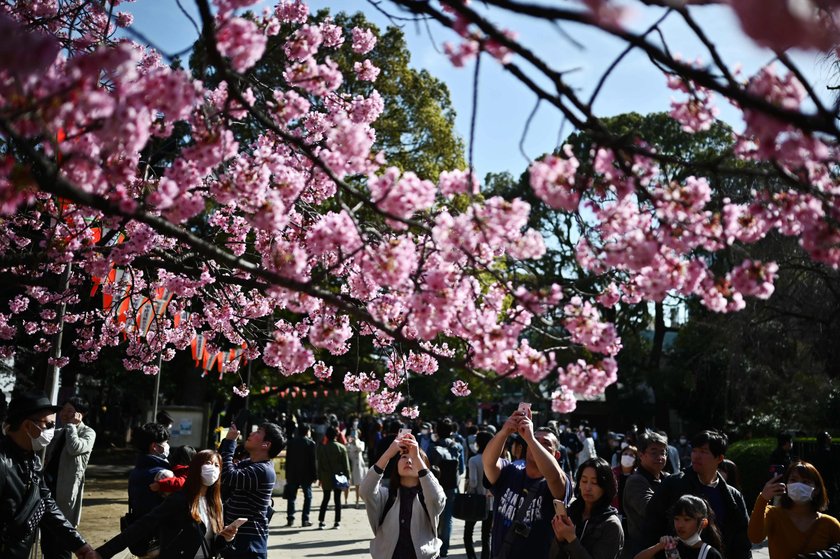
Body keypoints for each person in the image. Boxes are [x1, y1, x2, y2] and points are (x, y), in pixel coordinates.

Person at [0, 391, 100, 559]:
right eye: (49, 425)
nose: (51, 431)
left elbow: (46, 503)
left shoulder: (31, 459)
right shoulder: (3, 461)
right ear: (28, 426)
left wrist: (80, 545)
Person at [97, 449, 240, 558]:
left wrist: (227, 538)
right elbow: (143, 525)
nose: (212, 468)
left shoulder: (216, 503)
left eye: (216, 465)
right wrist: (103, 553)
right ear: (195, 467)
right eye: (208, 463)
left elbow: (214, 545)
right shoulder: (180, 499)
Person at [643, 430, 751, 559]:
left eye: (703, 452)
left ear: (719, 458)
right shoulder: (674, 484)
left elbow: (742, 540)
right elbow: (651, 527)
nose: (696, 456)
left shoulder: (733, 495)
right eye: (694, 450)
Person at [483, 406, 569, 559]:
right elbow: (488, 463)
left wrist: (531, 438)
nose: (539, 444)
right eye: (536, 440)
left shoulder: (557, 481)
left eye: (546, 443)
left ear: (556, 455)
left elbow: (555, 477)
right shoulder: (510, 470)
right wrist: (504, 432)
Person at [360, 431, 446, 558]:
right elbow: (365, 491)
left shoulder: (426, 497)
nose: (409, 461)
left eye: (415, 458)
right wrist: (388, 454)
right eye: (404, 457)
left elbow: (436, 498)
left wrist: (417, 456)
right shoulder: (387, 495)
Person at [748, 460, 840, 559]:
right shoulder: (773, 514)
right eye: (793, 480)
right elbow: (755, 537)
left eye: (806, 482)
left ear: (817, 490)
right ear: (786, 485)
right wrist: (763, 499)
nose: (799, 485)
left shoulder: (830, 524)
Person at [42, 396, 97, 559]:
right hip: (47, 490)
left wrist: (72, 427)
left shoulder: (88, 432)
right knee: (46, 540)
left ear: (80, 414)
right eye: (63, 411)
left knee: (63, 541)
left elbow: (75, 448)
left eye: (70, 411)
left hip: (65, 493)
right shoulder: (59, 432)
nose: (64, 414)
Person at [220, 421, 285, 559]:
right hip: (237, 540)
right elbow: (221, 469)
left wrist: (230, 442)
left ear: (265, 444)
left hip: (249, 546)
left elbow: (227, 476)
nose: (251, 433)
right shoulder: (251, 464)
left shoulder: (262, 470)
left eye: (258, 432)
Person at [550, 457, 624, 559]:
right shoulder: (571, 513)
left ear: (605, 487)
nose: (588, 487)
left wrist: (571, 538)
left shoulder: (611, 525)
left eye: (594, 483)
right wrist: (560, 539)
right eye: (584, 481)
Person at [126, 421, 171, 555]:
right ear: (154, 447)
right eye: (165, 443)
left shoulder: (136, 470)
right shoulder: (163, 474)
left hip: (141, 535)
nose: (167, 446)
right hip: (159, 538)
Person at [623, 431, 668, 559]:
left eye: (663, 452)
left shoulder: (667, 478)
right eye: (653, 452)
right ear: (641, 455)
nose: (659, 456)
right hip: (643, 548)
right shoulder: (636, 481)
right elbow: (651, 510)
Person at [634, 495, 723, 559]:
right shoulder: (669, 547)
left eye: (687, 519)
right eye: (676, 519)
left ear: (703, 523)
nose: (680, 525)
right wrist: (658, 547)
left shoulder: (710, 554)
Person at [428, 417, 465, 557]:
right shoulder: (458, 447)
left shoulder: (432, 447)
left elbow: (426, 467)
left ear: (437, 431)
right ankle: (444, 549)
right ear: (451, 431)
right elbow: (461, 469)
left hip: (435, 486)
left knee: (434, 516)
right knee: (448, 518)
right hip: (451, 486)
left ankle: (434, 546)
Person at [465, 431, 494, 559]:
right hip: (491, 502)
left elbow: (473, 482)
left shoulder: (473, 460)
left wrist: (469, 491)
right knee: (486, 535)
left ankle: (472, 557)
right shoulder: (496, 460)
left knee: (468, 533)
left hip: (476, 502)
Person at [316, 425, 350, 529]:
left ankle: (321, 521)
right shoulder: (341, 448)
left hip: (326, 476)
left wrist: (320, 477)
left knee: (325, 498)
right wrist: (348, 477)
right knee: (337, 499)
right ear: (336, 435)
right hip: (338, 476)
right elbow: (346, 465)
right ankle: (337, 522)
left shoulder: (322, 448)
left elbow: (319, 464)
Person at [284, 423, 317, 527]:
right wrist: (315, 475)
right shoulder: (310, 443)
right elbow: (313, 461)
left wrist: (287, 473)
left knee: (291, 497)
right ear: (307, 431)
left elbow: (288, 459)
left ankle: (290, 518)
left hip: (292, 473)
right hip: (306, 474)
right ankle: (305, 519)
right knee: (308, 497)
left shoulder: (291, 442)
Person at [612, 444, 637, 526]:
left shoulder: (638, 476)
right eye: (625, 454)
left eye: (631, 455)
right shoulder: (612, 473)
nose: (627, 457)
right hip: (615, 514)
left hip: (633, 518)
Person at [347, 428, 367, 508]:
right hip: (351, 465)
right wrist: (349, 443)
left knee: (358, 485)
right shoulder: (349, 443)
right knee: (348, 484)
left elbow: (360, 449)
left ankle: (358, 501)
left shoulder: (361, 443)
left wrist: (356, 442)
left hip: (358, 465)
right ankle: (346, 500)